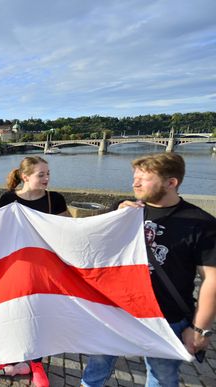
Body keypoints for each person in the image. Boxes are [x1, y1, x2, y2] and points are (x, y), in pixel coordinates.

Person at [81, 153, 216, 387]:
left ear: (171, 183)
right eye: (135, 177)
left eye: (143, 178)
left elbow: (211, 280)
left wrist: (200, 330)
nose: (135, 183)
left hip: (166, 317)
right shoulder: (124, 210)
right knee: (96, 370)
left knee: (161, 379)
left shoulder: (201, 223)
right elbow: (88, 249)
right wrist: (114, 217)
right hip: (118, 311)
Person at [0, 156, 69, 386]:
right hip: (16, 267)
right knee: (16, 311)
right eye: (41, 174)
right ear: (25, 177)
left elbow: (70, 229)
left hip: (44, 268)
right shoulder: (8, 199)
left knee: (39, 314)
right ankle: (15, 356)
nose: (47, 178)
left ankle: (35, 362)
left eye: (48, 174)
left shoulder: (55, 199)